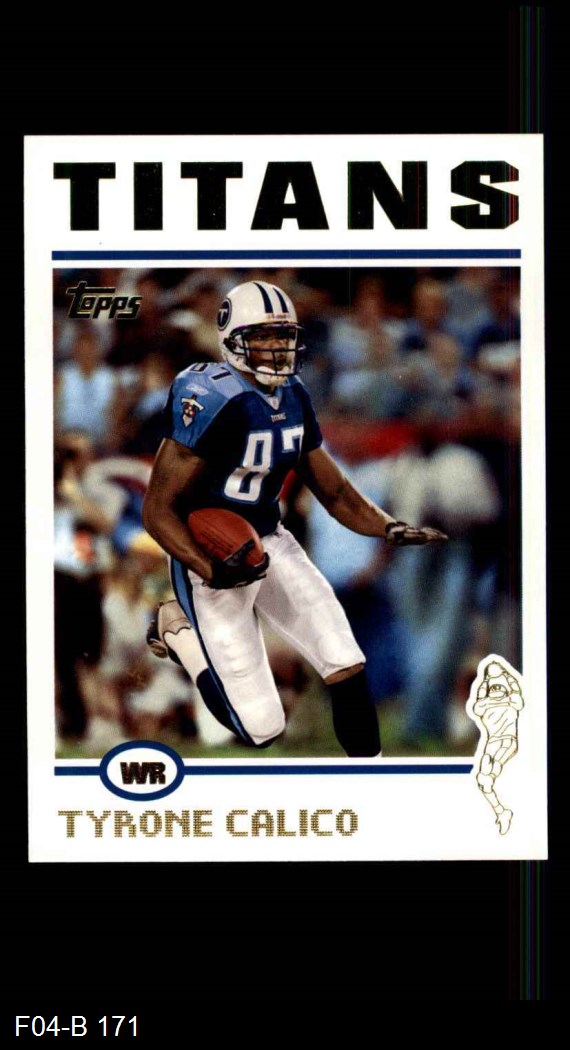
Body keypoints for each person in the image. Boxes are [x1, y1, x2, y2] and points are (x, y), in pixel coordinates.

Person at [142, 280, 447, 756]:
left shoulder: (293, 394)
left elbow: (335, 489)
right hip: (208, 550)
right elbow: (157, 510)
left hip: (270, 537)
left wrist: (387, 526)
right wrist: (208, 567)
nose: (276, 347)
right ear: (231, 338)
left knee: (344, 657)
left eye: (283, 335)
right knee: (260, 728)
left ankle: (374, 774)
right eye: (263, 336)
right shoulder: (209, 395)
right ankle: (177, 631)